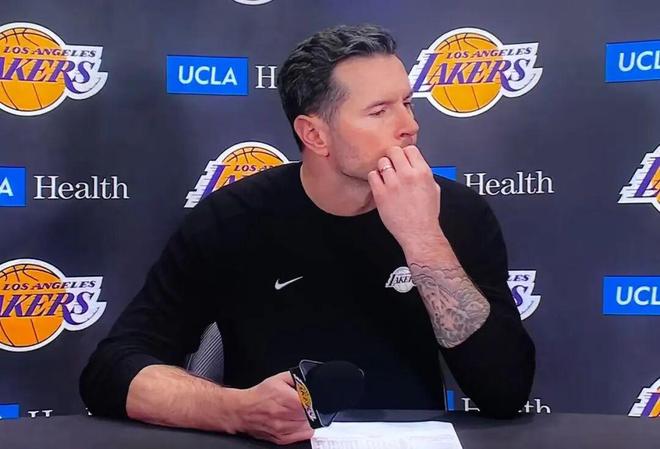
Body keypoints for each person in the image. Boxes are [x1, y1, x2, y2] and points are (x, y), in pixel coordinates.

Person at [80, 24, 535, 445]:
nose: (409, 126)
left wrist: (422, 237)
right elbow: (111, 371)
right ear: (314, 135)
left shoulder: (455, 213)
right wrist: (234, 410)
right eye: (379, 111)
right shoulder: (234, 219)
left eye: (407, 103)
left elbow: (505, 391)